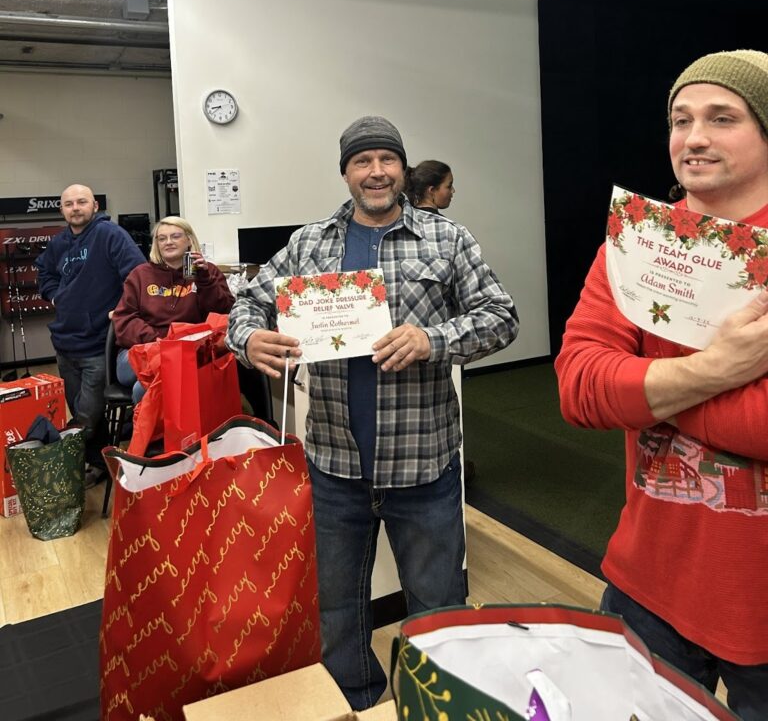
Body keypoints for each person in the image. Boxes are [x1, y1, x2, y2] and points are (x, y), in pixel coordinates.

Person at [227, 115, 518, 709]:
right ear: (346, 173)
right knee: (337, 609)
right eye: (363, 161)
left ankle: (435, 707)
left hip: (423, 465)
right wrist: (249, 338)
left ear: (403, 170)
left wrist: (432, 339)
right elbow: (249, 302)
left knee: (437, 608)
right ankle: (356, 700)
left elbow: (500, 316)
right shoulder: (310, 244)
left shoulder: (447, 239)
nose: (376, 172)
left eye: (388, 160)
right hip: (335, 466)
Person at [555, 50, 768, 721]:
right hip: (649, 585)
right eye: (681, 119)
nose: (693, 137)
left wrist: (651, 395)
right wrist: (723, 368)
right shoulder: (638, 244)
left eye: (722, 118)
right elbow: (580, 387)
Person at [36, 183, 145, 485]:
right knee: (80, 409)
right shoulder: (59, 242)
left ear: (95, 206)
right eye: (69, 204)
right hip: (64, 342)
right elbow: (45, 273)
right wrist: (56, 297)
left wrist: (121, 310)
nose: (75, 208)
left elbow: (138, 275)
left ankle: (68, 468)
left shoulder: (110, 235)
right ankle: (99, 465)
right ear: (62, 210)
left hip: (97, 342)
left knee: (87, 415)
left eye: (81, 202)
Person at [111, 216, 234, 403]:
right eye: (162, 238)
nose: (168, 242)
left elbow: (222, 313)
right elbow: (125, 318)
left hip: (190, 351)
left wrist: (204, 281)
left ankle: (160, 423)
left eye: (175, 236)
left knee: (142, 388)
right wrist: (159, 341)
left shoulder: (207, 272)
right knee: (141, 374)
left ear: (189, 240)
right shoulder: (140, 275)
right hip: (145, 348)